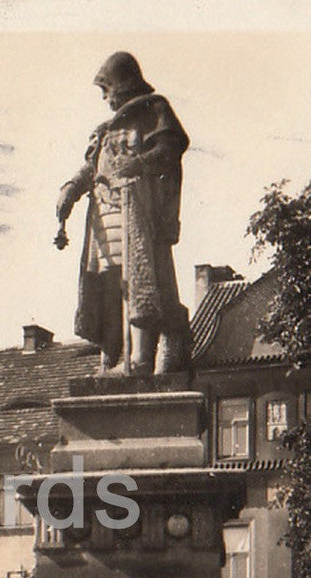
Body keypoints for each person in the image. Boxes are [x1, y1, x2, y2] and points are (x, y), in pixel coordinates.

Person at [55, 51, 193, 376]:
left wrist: (141, 163)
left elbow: (170, 149)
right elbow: (92, 167)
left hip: (138, 212)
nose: (105, 98)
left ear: (121, 84)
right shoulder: (106, 129)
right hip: (104, 219)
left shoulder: (153, 110)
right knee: (108, 286)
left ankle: (142, 359)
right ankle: (113, 356)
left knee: (141, 284)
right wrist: (70, 190)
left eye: (107, 89)